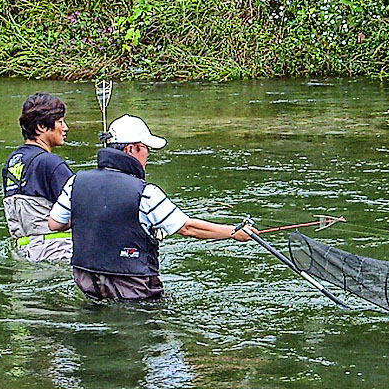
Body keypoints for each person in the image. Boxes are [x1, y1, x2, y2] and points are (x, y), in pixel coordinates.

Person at [48, 114, 255, 301]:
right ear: (131, 149)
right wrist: (233, 232)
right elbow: (187, 228)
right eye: (146, 149)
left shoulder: (76, 182)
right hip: (134, 289)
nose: (147, 156)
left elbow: (54, 224)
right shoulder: (145, 193)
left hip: (87, 284)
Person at [2, 92, 73, 262]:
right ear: (41, 127)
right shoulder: (50, 163)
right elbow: (84, 210)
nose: (65, 128)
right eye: (60, 122)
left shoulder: (11, 163)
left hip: (24, 255)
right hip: (58, 253)